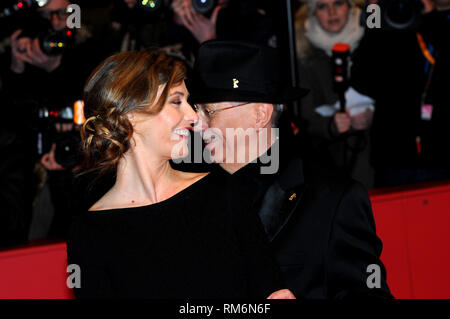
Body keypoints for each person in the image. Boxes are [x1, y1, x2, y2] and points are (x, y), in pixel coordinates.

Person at [66, 50, 294, 299]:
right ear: (130, 115)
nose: (194, 116)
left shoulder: (222, 191)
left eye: (189, 102)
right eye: (176, 102)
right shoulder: (90, 234)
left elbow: (270, 289)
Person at [189, 40, 393, 299]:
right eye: (196, 111)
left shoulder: (332, 199)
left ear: (260, 116)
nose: (197, 125)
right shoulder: (188, 195)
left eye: (209, 111)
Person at [294, 0, 375, 189]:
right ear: (312, 13)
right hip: (327, 165)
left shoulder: (372, 39)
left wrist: (372, 113)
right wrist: (329, 126)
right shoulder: (301, 52)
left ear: (350, 6)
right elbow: (301, 116)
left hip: (374, 159)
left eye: (338, 3)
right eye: (322, 6)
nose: (332, 12)